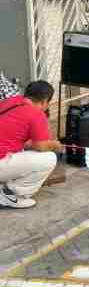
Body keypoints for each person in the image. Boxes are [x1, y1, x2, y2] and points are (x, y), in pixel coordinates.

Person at [0, 81, 62, 209]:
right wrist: (55, 145)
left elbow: (19, 138)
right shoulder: (36, 114)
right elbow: (41, 146)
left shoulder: (9, 101)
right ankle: (10, 194)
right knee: (49, 158)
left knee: (22, 150)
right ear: (45, 101)